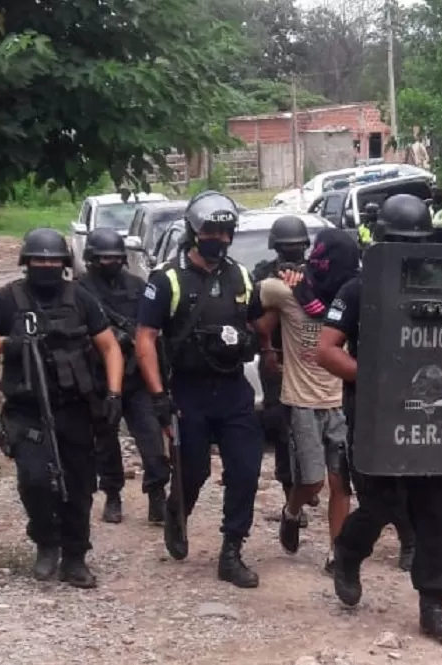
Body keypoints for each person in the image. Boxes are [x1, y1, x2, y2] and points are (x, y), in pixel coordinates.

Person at [319, 194, 442, 645]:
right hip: (377, 415)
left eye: (413, 242)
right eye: (398, 241)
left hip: (432, 418)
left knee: (436, 510)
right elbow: (326, 349)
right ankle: (347, 552)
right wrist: (377, 380)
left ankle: (433, 605)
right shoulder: (359, 289)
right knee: (382, 504)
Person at [0, 228, 124, 589]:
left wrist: (114, 394)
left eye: (54, 260)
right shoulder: (8, 299)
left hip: (75, 409)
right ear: (27, 263)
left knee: (79, 484)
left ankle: (75, 556)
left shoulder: (80, 297)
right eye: (40, 260)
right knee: (35, 481)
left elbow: (109, 347)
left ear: (65, 264)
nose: (47, 266)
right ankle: (46, 542)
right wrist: (10, 343)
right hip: (27, 411)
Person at [135, 190, 267, 589]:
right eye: (214, 232)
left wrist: (259, 343)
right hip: (188, 393)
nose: (222, 240)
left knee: (245, 469)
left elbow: (259, 324)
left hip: (233, 390)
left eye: (228, 233)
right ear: (195, 232)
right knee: (192, 472)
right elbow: (145, 339)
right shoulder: (167, 279)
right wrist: (158, 396)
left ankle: (232, 550)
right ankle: (178, 512)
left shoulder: (241, 276)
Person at [255, 228, 360, 574]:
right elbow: (257, 312)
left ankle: (337, 554)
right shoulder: (289, 291)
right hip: (302, 400)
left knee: (340, 482)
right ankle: (292, 512)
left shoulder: (351, 298)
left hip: (339, 399)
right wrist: (268, 347)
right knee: (312, 481)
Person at [77, 228, 169, 525]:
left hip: (138, 377)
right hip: (100, 379)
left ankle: (157, 495)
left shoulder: (137, 286)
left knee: (153, 441)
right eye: (104, 258)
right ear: (91, 258)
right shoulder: (80, 291)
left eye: (115, 257)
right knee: (105, 442)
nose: (110, 262)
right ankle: (113, 494)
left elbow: (153, 329)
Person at [252, 215, 313, 526]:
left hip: (312, 362)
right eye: (287, 248)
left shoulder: (317, 273)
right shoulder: (262, 275)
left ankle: (309, 481)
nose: (293, 252)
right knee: (281, 427)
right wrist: (266, 349)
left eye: (297, 247)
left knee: (315, 428)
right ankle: (292, 494)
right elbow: (253, 316)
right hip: (276, 358)